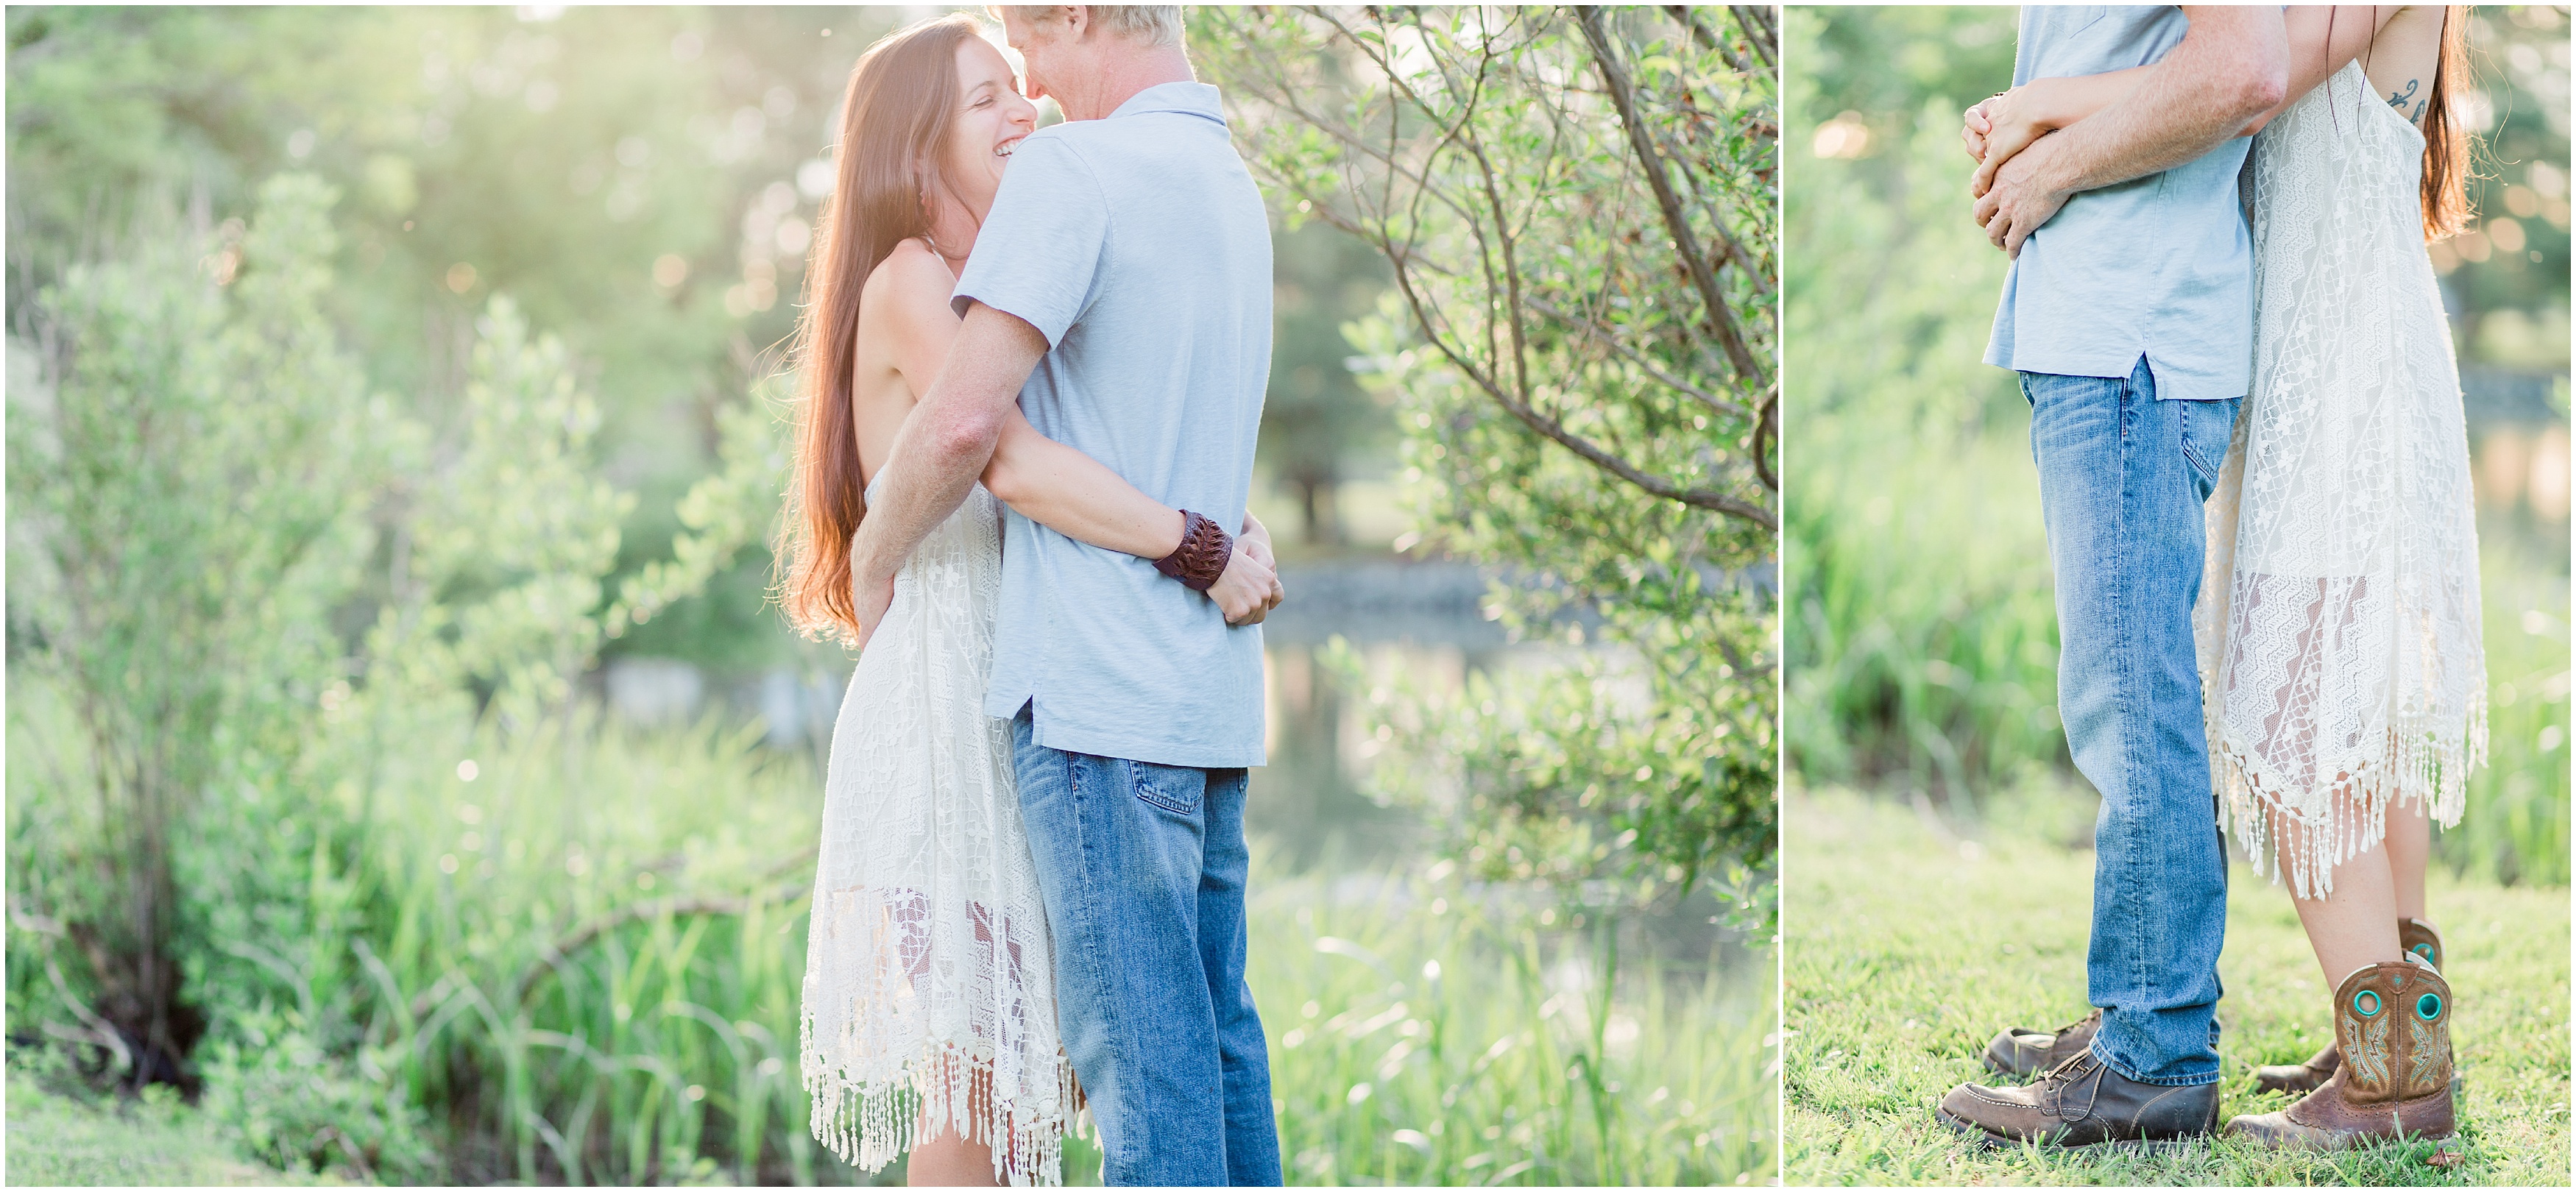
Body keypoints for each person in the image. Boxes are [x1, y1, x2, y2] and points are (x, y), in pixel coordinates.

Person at [1964, 4, 2480, 1149]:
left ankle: (2395, 1084)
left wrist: (2043, 106)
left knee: (2301, 709)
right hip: (2335, 341)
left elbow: (2252, 74)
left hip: (2334, 354)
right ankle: (2395, 1031)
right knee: (2359, 713)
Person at [781, 12, 1283, 1186]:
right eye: (985, 99)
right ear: (915, 151)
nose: (1028, 107)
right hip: (956, 701)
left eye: (1019, 82)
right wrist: (1203, 545)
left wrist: (1218, 520)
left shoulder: (1010, 284)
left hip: (1041, 690)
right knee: (975, 1086)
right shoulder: (913, 279)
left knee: (1040, 1085)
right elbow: (1002, 452)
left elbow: (1108, 440)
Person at [1924, 5, 2290, 1148]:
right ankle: (2134, 1007)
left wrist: (2050, 172)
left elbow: (2242, 72)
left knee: (2133, 704)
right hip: (2101, 333)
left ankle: (2158, 1053)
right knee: (2118, 696)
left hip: (2134, 337)